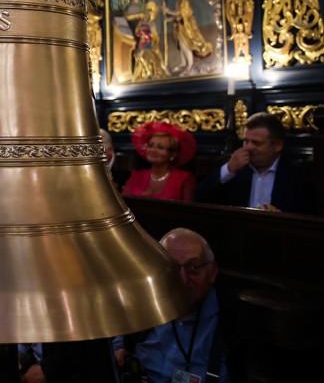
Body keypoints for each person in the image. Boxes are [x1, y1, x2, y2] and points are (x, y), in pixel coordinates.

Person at [113, 228, 232, 382]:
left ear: (212, 273)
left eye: (193, 268)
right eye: (172, 268)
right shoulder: (144, 302)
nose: (182, 279)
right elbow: (119, 338)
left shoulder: (232, 322)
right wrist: (120, 349)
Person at [195, 112, 314, 214]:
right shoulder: (235, 169)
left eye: (256, 143)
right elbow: (200, 199)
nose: (249, 148)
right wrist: (229, 169)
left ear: (278, 145)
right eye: (246, 141)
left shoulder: (296, 174)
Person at [122, 121, 196, 201]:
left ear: (173, 154)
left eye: (160, 147)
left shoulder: (184, 179)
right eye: (150, 145)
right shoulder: (136, 177)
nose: (153, 150)